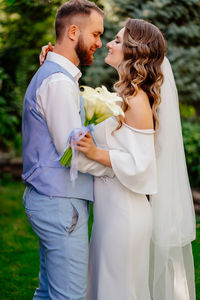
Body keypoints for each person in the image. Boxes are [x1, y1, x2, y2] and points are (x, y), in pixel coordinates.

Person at [40, 19, 196, 300]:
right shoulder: (123, 95)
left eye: (118, 41)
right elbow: (68, 102)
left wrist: (94, 152)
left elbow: (142, 164)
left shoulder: (136, 100)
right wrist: (52, 63)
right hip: (110, 211)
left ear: (134, 52)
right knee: (107, 286)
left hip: (125, 215)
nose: (109, 44)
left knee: (118, 289)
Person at [22, 1, 104, 299]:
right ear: (73, 32)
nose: (99, 42)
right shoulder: (57, 81)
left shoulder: (56, 73)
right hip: (59, 203)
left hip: (53, 199)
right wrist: (117, 165)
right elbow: (73, 154)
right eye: (95, 34)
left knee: (48, 293)